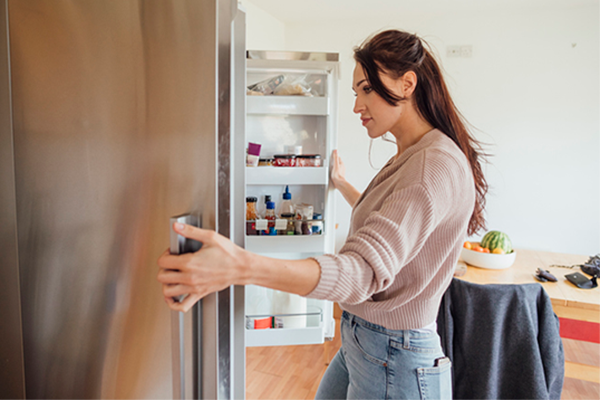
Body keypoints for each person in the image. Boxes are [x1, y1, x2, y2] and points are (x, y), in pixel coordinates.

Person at [157, 29, 487, 400]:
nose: (357, 106)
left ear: (407, 83)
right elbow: (394, 220)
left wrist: (240, 268)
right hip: (367, 342)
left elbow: (362, 272)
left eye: (366, 89)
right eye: (355, 93)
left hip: (396, 357)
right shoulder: (416, 154)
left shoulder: (431, 164)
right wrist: (341, 184)